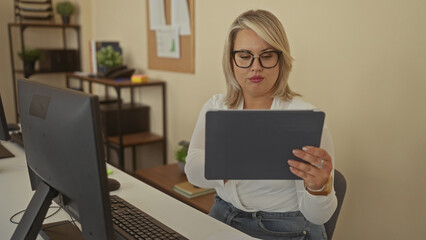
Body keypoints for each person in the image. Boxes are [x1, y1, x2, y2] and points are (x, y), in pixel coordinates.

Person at [185, 9, 337, 240]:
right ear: (231, 60)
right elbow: (193, 172)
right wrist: (237, 160)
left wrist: (318, 188)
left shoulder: (303, 117)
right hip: (222, 215)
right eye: (245, 56)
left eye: (266, 56)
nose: (255, 67)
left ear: (281, 60)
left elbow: (318, 216)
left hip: (285, 228)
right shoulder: (217, 106)